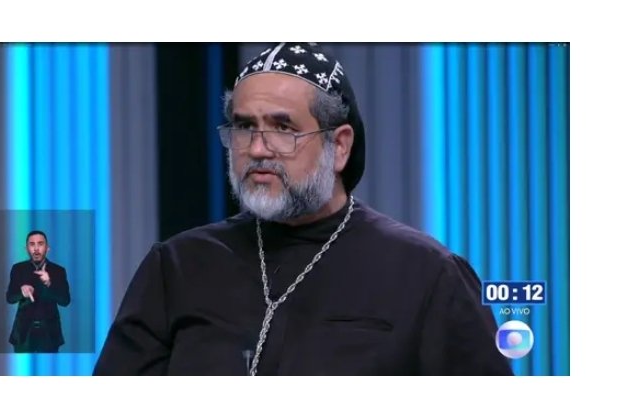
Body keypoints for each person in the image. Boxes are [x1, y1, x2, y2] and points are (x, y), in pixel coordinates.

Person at [93, 43, 513, 375]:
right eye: (244, 127)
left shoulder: (427, 274)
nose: (258, 149)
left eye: (283, 128)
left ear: (340, 146)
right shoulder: (178, 266)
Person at [6, 230, 71, 353]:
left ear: (47, 248)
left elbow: (65, 301)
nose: (36, 249)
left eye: (40, 244)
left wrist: (49, 283)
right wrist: (22, 292)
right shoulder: (18, 269)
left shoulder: (58, 271)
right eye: (32, 244)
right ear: (26, 248)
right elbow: (10, 298)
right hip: (23, 334)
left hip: (50, 334)